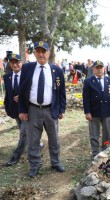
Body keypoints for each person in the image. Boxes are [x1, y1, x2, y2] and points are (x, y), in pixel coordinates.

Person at [18, 41, 66, 177]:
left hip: (51, 110)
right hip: (33, 109)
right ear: (34, 54)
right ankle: (34, 165)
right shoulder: (27, 68)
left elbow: (61, 92)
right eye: (38, 51)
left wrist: (61, 109)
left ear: (48, 54)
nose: (41, 54)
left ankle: (56, 162)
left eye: (43, 51)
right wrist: (22, 110)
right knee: (33, 140)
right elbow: (22, 91)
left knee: (54, 138)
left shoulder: (57, 70)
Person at [82, 60, 110, 158]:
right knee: (94, 135)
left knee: (107, 133)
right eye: (97, 68)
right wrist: (87, 112)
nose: (99, 70)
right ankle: (95, 153)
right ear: (93, 69)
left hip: (107, 111)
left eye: (101, 68)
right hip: (94, 112)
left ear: (104, 69)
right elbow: (86, 98)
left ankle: (105, 151)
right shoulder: (88, 81)